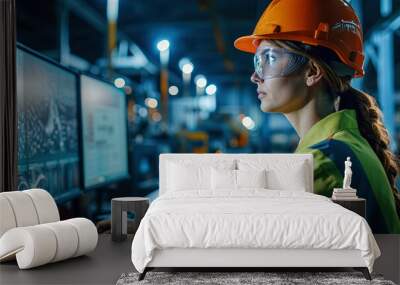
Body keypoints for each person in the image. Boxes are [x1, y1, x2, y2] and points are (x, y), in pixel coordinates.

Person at [234, 0, 400, 233]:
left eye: (270, 59)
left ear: (312, 71)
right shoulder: (346, 144)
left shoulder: (321, 163)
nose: (255, 76)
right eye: (257, 62)